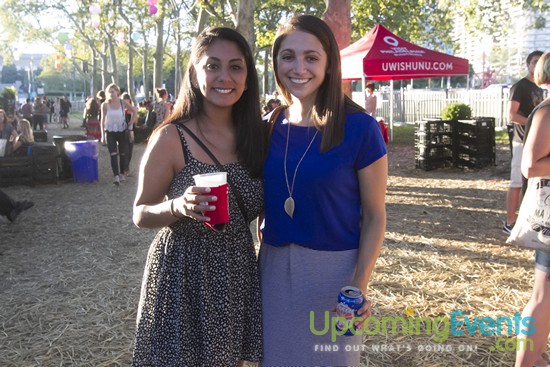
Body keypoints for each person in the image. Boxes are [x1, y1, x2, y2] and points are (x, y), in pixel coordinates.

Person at [131, 27, 266, 366]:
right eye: (212, 66)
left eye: (236, 67)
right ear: (194, 73)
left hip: (234, 273)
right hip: (182, 275)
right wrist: (179, 205)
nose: (225, 76)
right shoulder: (171, 138)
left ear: (248, 78)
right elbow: (140, 213)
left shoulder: (257, 138)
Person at [260, 15, 387, 366]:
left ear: (330, 64)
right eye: (288, 56)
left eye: (311, 57)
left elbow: (376, 214)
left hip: (336, 279)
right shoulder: (267, 128)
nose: (299, 67)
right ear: (275, 63)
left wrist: (358, 285)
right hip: (271, 273)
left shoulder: (361, 129)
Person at [514, 52, 550, 367]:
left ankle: (536, 357)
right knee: (543, 295)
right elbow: (530, 166)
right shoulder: (547, 111)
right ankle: (528, 361)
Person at [504, 50, 544, 234]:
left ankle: (525, 220)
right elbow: (512, 115)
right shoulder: (520, 87)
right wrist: (535, 123)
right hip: (522, 141)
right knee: (516, 182)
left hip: (537, 142)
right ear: (527, 65)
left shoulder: (540, 87)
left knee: (532, 184)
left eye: (540, 62)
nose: (537, 65)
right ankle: (510, 222)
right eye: (534, 62)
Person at [100, 83, 136, 185]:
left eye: (113, 92)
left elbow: (134, 111)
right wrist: (102, 135)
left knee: (123, 153)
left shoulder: (122, 103)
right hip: (110, 131)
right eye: (109, 92)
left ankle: (121, 173)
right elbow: (102, 120)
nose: (111, 94)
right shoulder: (105, 105)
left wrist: (130, 124)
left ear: (117, 92)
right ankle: (115, 176)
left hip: (122, 130)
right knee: (113, 154)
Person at [121, 92, 136, 175]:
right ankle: (125, 168)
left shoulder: (133, 110)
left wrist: (132, 117)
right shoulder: (120, 109)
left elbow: (135, 122)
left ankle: (127, 167)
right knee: (125, 151)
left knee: (130, 151)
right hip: (122, 131)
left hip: (130, 131)